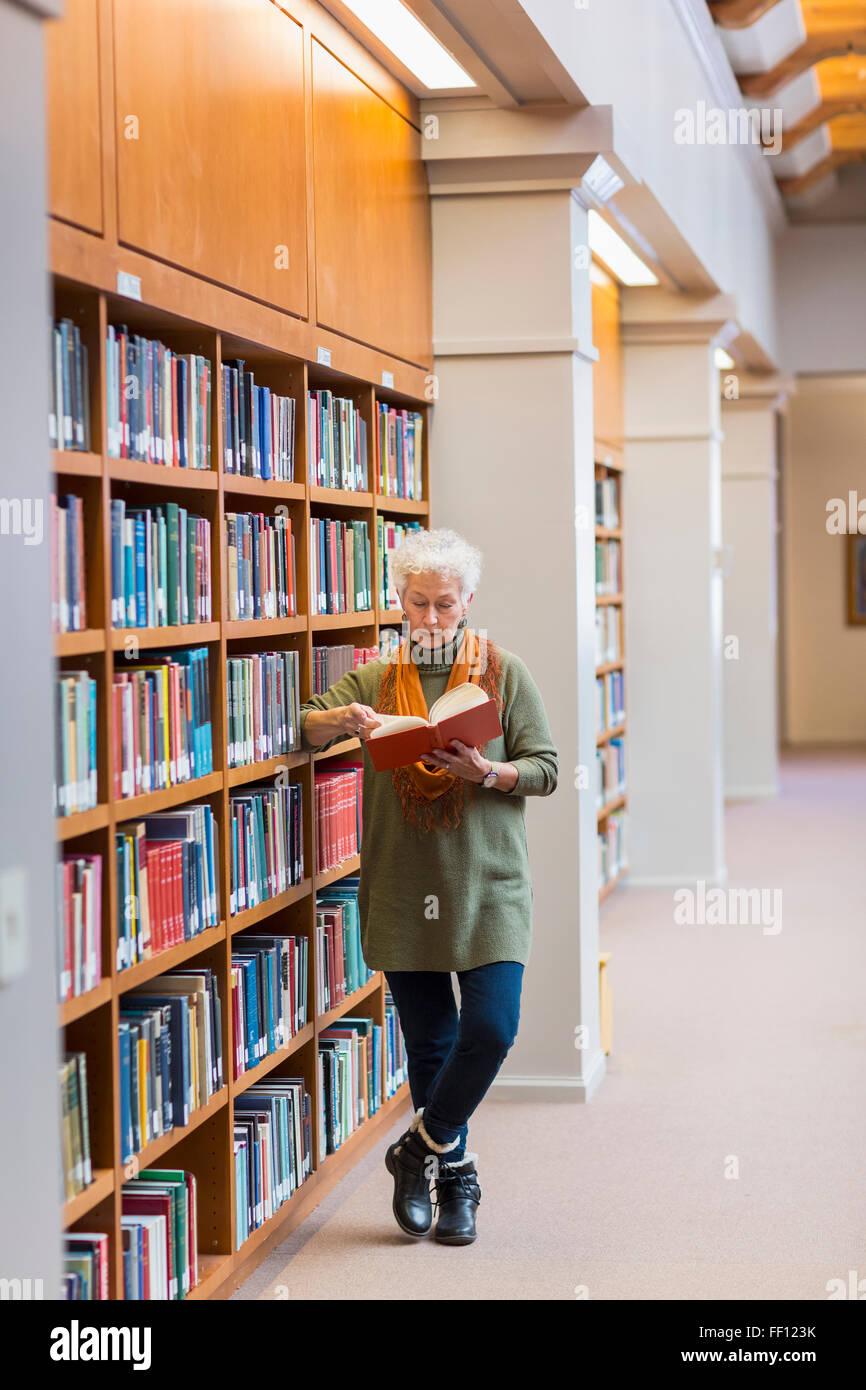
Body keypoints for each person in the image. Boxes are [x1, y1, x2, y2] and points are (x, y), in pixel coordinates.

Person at [299, 527, 558, 1244]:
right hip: (404, 885)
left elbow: (546, 767)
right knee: (431, 1043)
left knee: (491, 1028)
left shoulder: (506, 675)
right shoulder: (375, 680)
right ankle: (457, 1180)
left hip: (490, 886)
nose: (434, 619)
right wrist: (341, 719)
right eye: (420, 603)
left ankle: (416, 1150)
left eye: (447, 604)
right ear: (400, 601)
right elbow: (305, 727)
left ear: (468, 600)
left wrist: (492, 773)